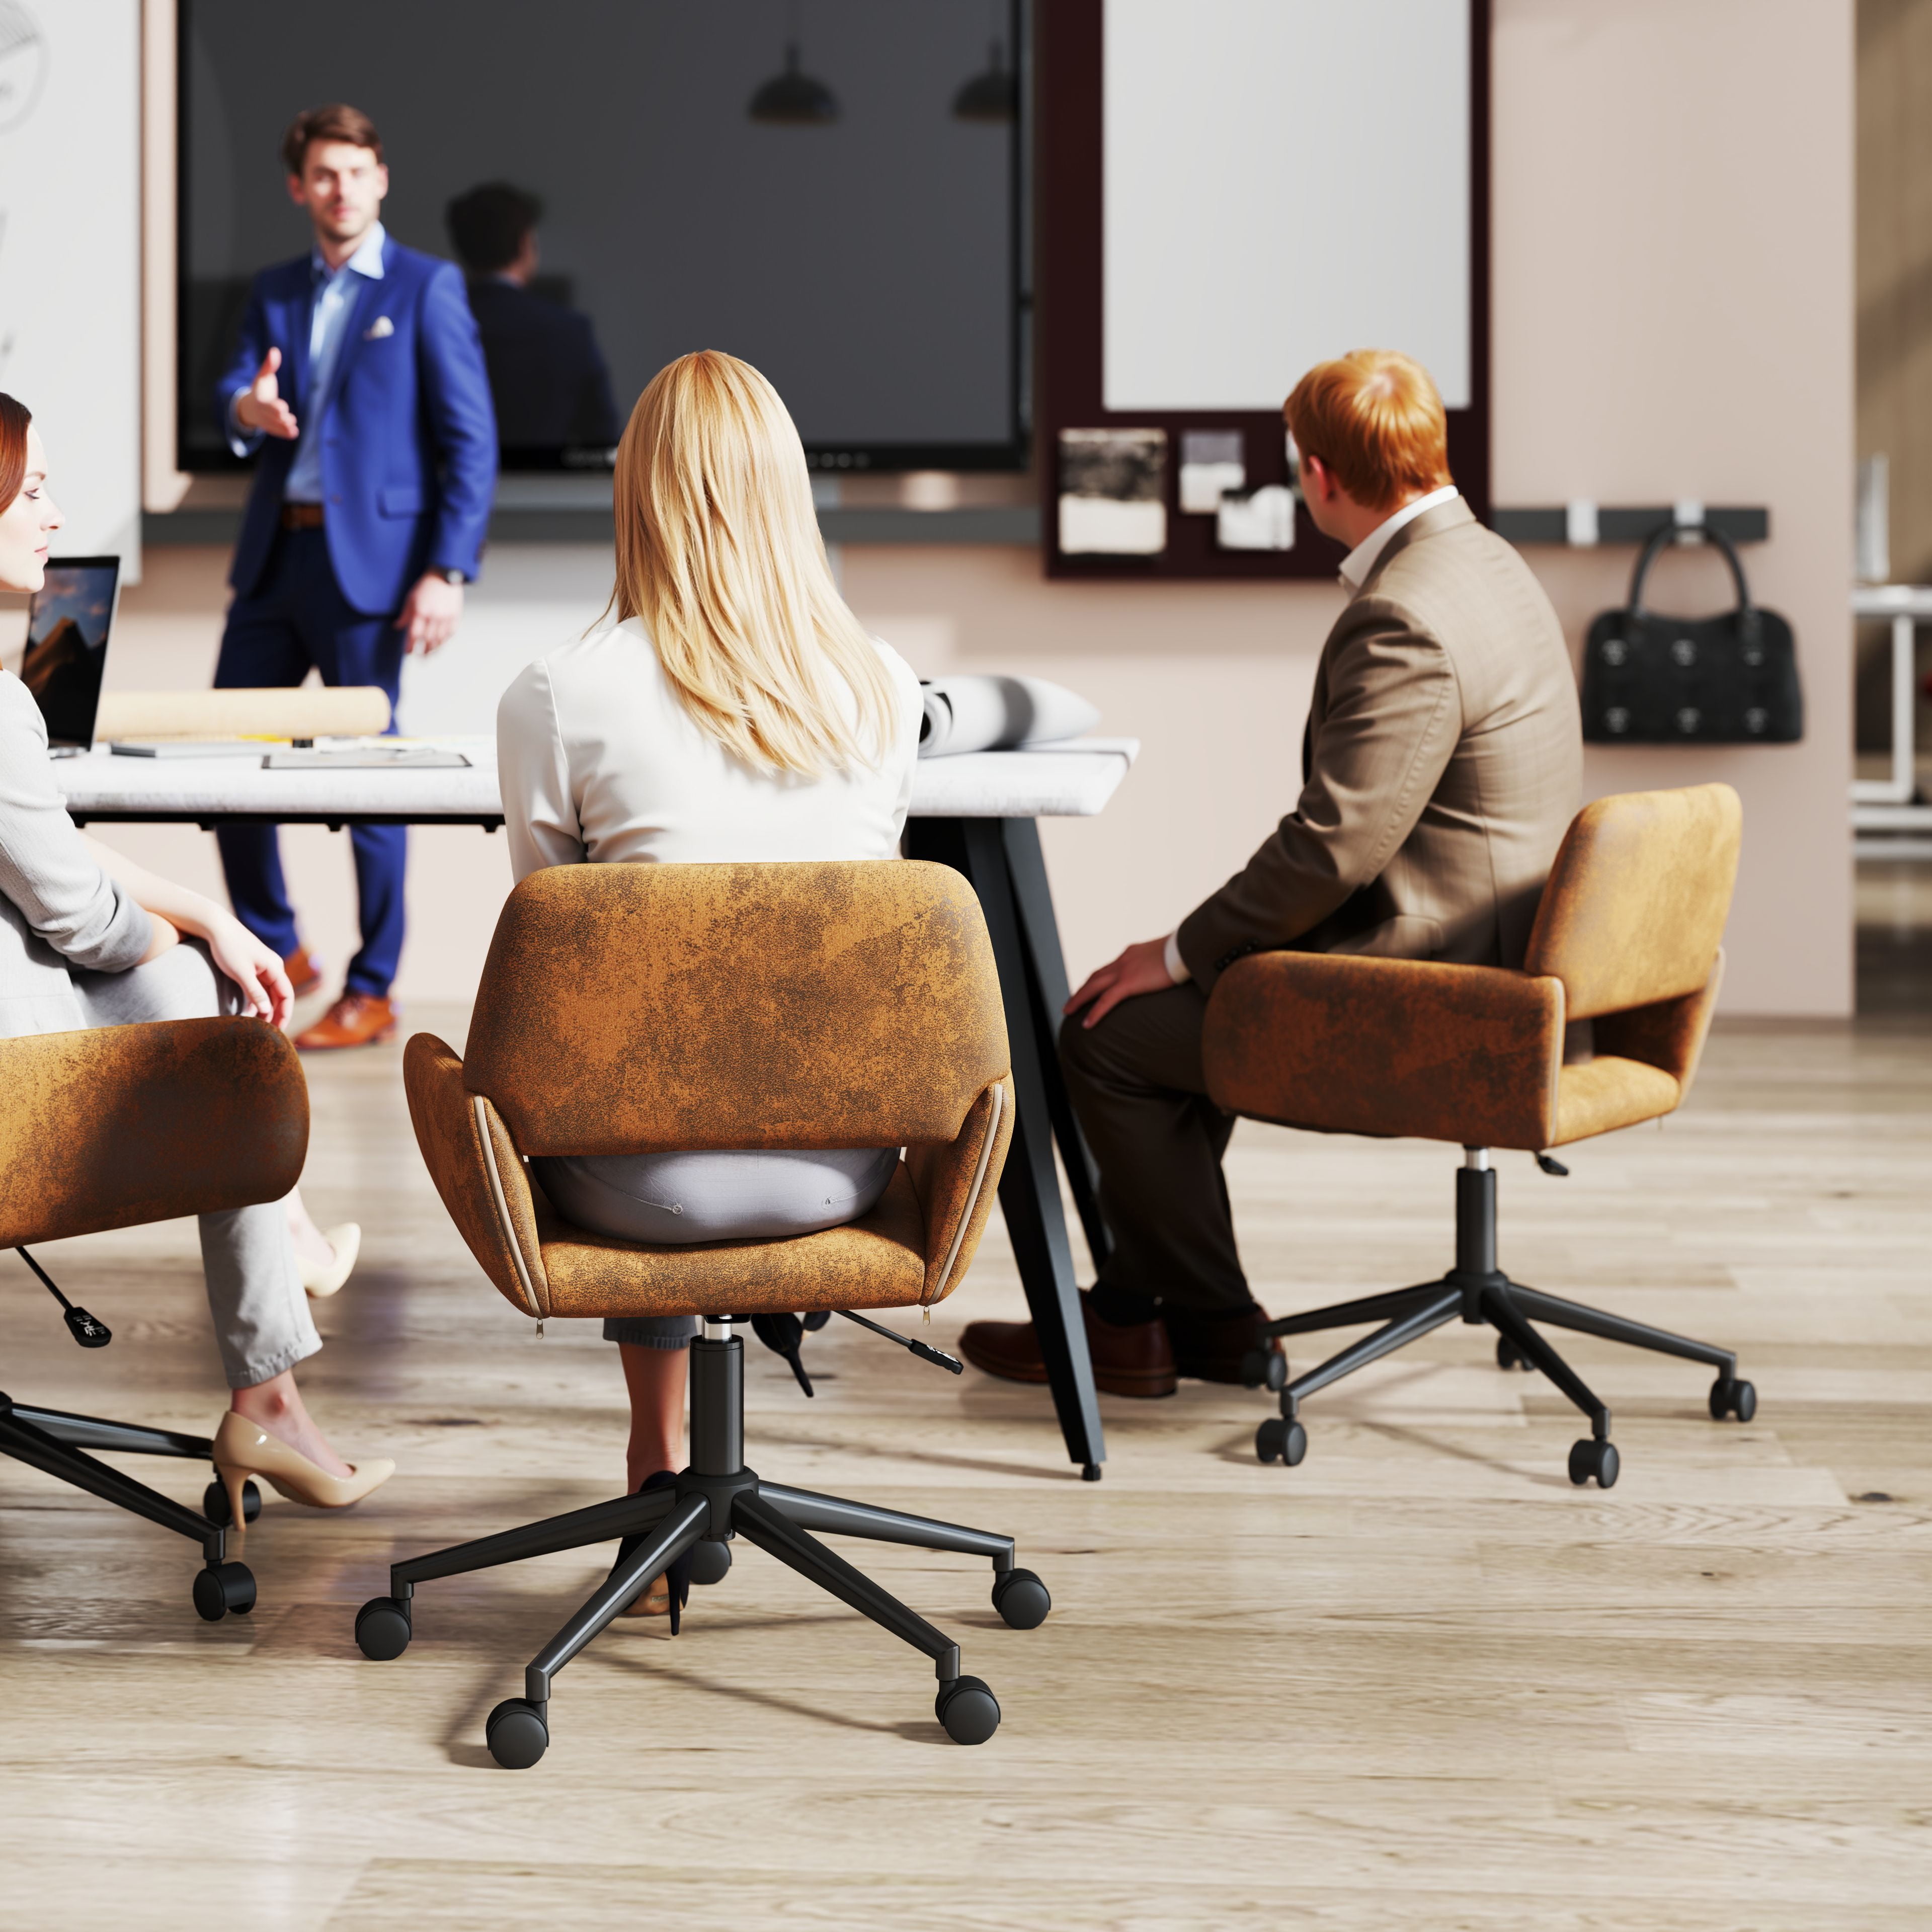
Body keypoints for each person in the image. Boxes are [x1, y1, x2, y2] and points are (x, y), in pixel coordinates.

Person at [959, 349, 1584, 1398]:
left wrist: (1174, 950)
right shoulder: (1490, 565)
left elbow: (1338, 844)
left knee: (1106, 1036)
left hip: (1442, 983)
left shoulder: (1408, 614)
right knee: (1183, 1025)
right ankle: (1136, 1316)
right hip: (1502, 944)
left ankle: (1207, 1324)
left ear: (1319, 475)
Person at [496, 350, 923, 1617]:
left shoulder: (559, 694)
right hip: (844, 1169)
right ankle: (677, 1457)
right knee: (708, 1051)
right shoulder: (886, 688)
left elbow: (552, 965)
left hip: (642, 1184)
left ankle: (655, 1451)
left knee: (604, 1068)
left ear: (636, 496)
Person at [0, 393, 392, 1517]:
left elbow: (50, 854)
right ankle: (270, 1381)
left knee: (196, 971)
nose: (54, 513)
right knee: (212, 1026)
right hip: (18, 1095)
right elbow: (81, 918)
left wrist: (210, 923)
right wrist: (196, 935)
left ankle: (276, 1362)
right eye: (31, 492)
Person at [215, 104, 497, 1052]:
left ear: (381, 180)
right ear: (300, 187)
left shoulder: (428, 287)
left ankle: (373, 986)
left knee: (369, 778)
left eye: (356, 171)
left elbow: (470, 441)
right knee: (221, 765)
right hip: (274, 555)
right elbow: (230, 392)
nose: (340, 189)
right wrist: (247, 409)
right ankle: (284, 950)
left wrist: (447, 569)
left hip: (372, 571)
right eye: (322, 175)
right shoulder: (272, 290)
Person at [445, 182, 619, 459]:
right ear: (526, 243)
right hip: (547, 493)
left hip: (455, 491)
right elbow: (602, 438)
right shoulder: (569, 330)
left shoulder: (441, 326)